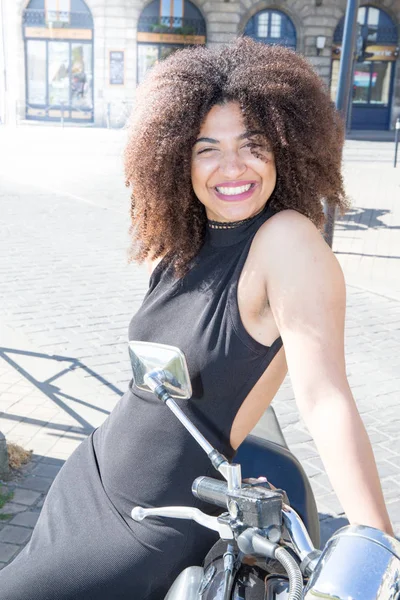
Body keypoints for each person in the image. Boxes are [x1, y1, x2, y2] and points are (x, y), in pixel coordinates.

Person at [0, 37, 392, 599]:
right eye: (207, 148)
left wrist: (376, 545)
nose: (231, 167)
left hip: (145, 528)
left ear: (285, 146)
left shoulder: (287, 242)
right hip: (88, 478)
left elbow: (325, 396)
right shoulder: (191, 237)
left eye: (252, 143)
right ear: (176, 156)